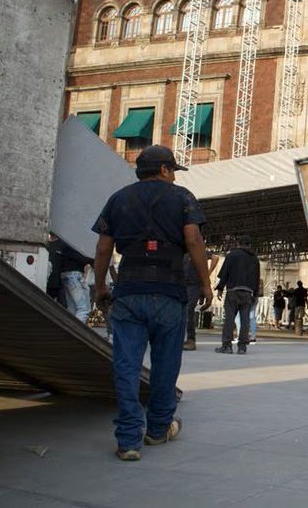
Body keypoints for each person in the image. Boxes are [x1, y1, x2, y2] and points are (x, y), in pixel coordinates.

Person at [91, 145, 213, 462]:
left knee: (127, 365)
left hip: (129, 291)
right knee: (165, 366)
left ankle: (129, 439)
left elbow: (104, 248)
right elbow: (194, 240)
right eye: (172, 170)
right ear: (163, 170)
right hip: (170, 292)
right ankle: (158, 430)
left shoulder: (118, 199)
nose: (173, 176)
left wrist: (101, 285)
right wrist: (205, 283)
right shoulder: (183, 197)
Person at [214, 235, 261, 355]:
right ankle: (242, 347)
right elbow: (256, 278)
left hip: (232, 292)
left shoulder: (232, 255)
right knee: (245, 320)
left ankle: (227, 346)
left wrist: (220, 288)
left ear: (239, 243)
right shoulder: (255, 259)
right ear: (250, 245)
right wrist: (255, 294)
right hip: (247, 293)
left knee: (229, 319)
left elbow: (225, 273)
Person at [50, 233, 94, 322]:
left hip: (67, 276)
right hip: (73, 276)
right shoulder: (70, 243)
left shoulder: (64, 243)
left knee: (72, 310)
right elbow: (79, 257)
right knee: (83, 309)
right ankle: (75, 332)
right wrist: (93, 261)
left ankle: (69, 331)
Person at [182, 250, 218, 350]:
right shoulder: (183, 252)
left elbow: (215, 258)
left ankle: (191, 339)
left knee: (189, 309)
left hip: (194, 284)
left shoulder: (198, 250)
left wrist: (208, 273)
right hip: (183, 283)